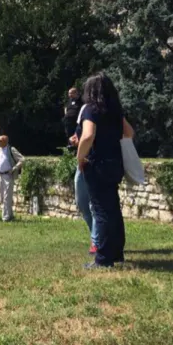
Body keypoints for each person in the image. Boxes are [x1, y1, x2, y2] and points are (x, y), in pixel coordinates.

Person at [77, 72, 134, 269]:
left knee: (100, 210)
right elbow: (129, 132)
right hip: (114, 163)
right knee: (113, 209)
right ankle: (116, 252)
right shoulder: (114, 111)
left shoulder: (91, 110)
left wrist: (80, 157)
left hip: (97, 164)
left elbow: (87, 136)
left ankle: (102, 258)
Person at [69, 103, 99, 255]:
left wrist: (81, 156)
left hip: (92, 162)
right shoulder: (85, 109)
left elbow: (89, 136)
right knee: (82, 203)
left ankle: (96, 242)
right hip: (82, 163)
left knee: (95, 205)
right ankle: (96, 237)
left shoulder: (99, 109)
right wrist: (75, 139)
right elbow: (81, 134)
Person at [0, 136, 25, 222]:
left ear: (6, 141)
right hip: (0, 175)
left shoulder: (11, 149)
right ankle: (10, 215)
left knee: (7, 197)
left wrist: (14, 168)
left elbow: (22, 159)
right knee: (3, 197)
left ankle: (5, 217)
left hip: (8, 176)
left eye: (1, 141)